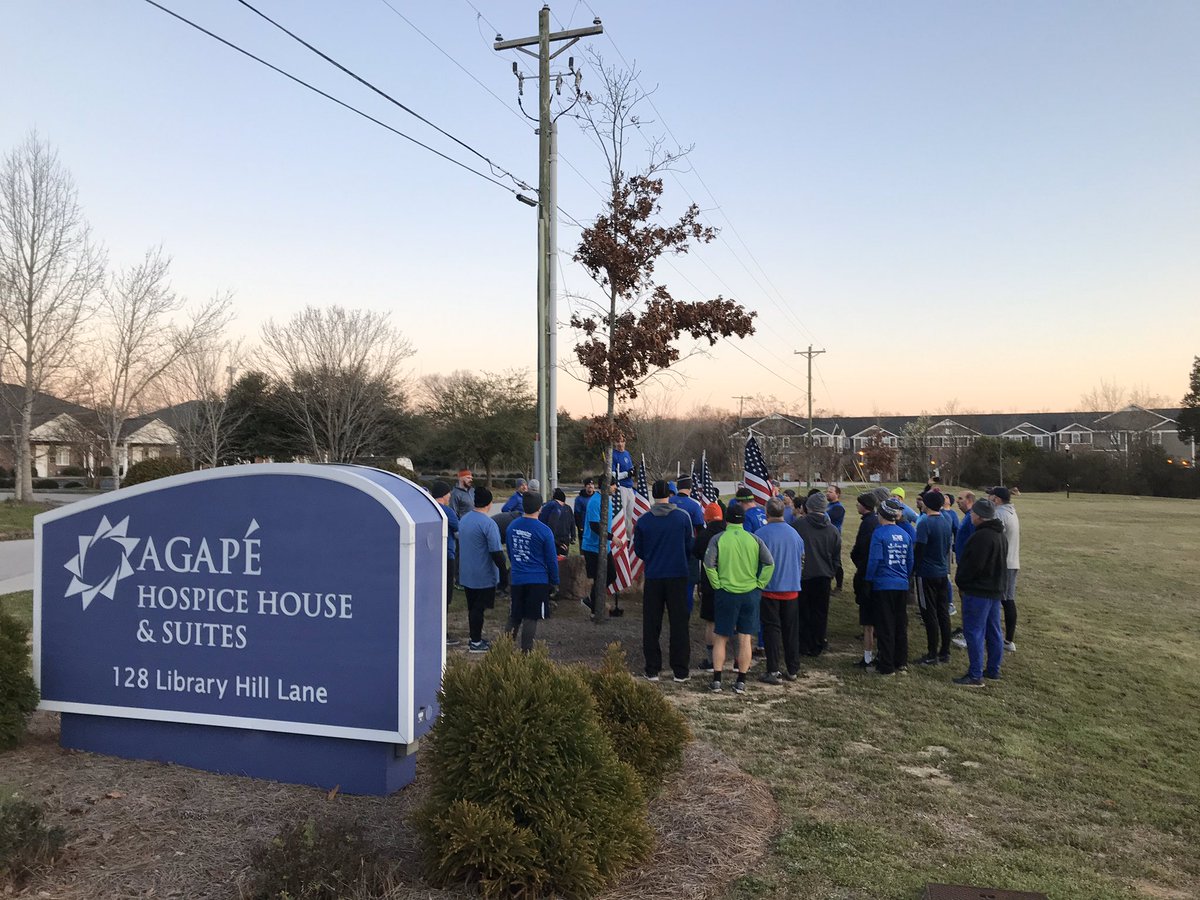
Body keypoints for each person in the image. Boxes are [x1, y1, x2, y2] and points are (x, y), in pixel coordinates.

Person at [703, 504, 774, 694]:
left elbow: (708, 564)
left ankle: (717, 680)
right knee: (745, 638)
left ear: (726, 519)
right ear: (743, 520)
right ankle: (741, 681)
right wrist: (760, 583)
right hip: (750, 593)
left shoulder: (718, 539)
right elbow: (769, 563)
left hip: (726, 593)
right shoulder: (754, 539)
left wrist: (716, 584)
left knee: (721, 637)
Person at [633, 479, 695, 682]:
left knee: (652, 624)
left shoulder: (643, 521)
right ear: (670, 494)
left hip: (654, 575)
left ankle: (652, 669)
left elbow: (639, 550)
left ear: (653, 495)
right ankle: (680, 671)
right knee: (679, 623)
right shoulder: (682, 518)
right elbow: (689, 546)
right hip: (678, 574)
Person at [953, 498, 1009, 686]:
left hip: (978, 591)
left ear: (978, 516)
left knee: (974, 631)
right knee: (994, 630)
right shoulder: (999, 534)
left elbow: (973, 566)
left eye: (973, 514)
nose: (971, 517)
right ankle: (993, 669)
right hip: (994, 589)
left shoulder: (981, 537)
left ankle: (975, 674)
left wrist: (962, 582)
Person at [756, 497, 805, 684]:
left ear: (767, 512)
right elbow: (802, 559)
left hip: (769, 588)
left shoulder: (760, 534)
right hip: (791, 588)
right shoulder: (795, 534)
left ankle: (773, 669)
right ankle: (793, 668)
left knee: (771, 630)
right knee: (791, 630)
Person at [505, 492, 559, 653]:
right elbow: (551, 560)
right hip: (537, 579)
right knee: (531, 617)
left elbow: (510, 550)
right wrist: (555, 581)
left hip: (517, 577)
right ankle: (526, 651)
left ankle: (504, 649)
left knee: (515, 615)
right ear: (540, 508)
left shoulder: (512, 526)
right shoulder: (544, 531)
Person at [457, 487, 508, 652]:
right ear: (489, 503)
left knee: (472, 608)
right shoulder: (488, 523)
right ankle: (476, 643)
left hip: (466, 573)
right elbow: (496, 552)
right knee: (479, 609)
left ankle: (474, 638)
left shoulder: (464, 520)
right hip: (483, 575)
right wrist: (504, 574)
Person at [868, 499, 914, 676]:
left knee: (885, 625)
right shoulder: (905, 534)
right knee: (900, 624)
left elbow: (875, 560)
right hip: (901, 584)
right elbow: (910, 561)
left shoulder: (879, 534)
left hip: (883, 584)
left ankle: (886, 665)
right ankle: (901, 662)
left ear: (881, 514)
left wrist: (869, 579)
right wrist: (904, 577)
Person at [792, 491, 841, 657]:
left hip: (803, 576)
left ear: (809, 507)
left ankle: (803, 643)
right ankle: (818, 643)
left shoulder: (798, 526)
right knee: (820, 612)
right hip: (824, 576)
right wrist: (832, 571)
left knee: (803, 611)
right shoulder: (833, 530)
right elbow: (836, 555)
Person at [914, 491, 954, 665]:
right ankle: (945, 651)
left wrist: (913, 569)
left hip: (926, 573)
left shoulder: (925, 523)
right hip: (942, 572)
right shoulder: (946, 521)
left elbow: (920, 550)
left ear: (927, 504)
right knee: (943, 612)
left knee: (928, 613)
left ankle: (931, 654)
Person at [693, 501, 726, 672]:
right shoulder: (728, 533)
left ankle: (711, 660)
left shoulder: (703, 536)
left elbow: (697, 554)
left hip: (709, 583)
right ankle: (735, 661)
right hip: (730, 582)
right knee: (731, 621)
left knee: (711, 623)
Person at [849, 492, 880, 668]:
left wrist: (859, 564)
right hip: (870, 574)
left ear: (865, 506)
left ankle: (868, 657)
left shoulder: (868, 524)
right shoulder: (872, 521)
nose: (856, 506)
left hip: (867, 575)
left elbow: (862, 549)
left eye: (858, 504)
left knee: (868, 621)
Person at [989, 486, 1021, 652]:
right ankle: (1008, 639)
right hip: (1012, 561)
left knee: (1004, 600)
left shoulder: (1000, 514)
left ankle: (1007, 640)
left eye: (991, 496)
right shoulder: (1011, 512)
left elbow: (993, 536)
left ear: (997, 500)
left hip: (1004, 563)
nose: (989, 499)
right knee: (1007, 599)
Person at [430, 481, 461, 646]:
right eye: (448, 493)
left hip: (429, 558)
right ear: (443, 494)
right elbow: (458, 529)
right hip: (447, 557)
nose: (450, 496)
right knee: (445, 597)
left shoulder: (427, 507)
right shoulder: (447, 512)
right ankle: (443, 633)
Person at [581, 481, 617, 611]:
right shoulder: (595, 502)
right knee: (598, 577)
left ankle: (593, 600)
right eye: (613, 485)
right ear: (607, 485)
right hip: (592, 546)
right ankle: (594, 606)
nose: (615, 488)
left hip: (604, 546)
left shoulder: (608, 501)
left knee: (611, 574)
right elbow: (595, 526)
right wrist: (613, 538)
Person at [673, 477, 706, 612]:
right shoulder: (693, 505)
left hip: (670, 547)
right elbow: (700, 528)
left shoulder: (669, 501)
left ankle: (673, 608)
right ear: (690, 488)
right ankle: (686, 610)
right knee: (688, 582)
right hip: (688, 547)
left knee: (674, 582)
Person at [538, 488, 576, 556]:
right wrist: (558, 543)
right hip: (558, 540)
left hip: (551, 539)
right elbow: (552, 525)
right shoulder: (556, 507)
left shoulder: (546, 506)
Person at [826, 484, 846, 591]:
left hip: (834, 538)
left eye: (830, 492)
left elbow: (829, 518)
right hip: (827, 537)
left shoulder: (838, 507)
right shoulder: (828, 506)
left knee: (836, 562)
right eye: (827, 491)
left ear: (837, 494)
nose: (827, 493)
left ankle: (839, 585)